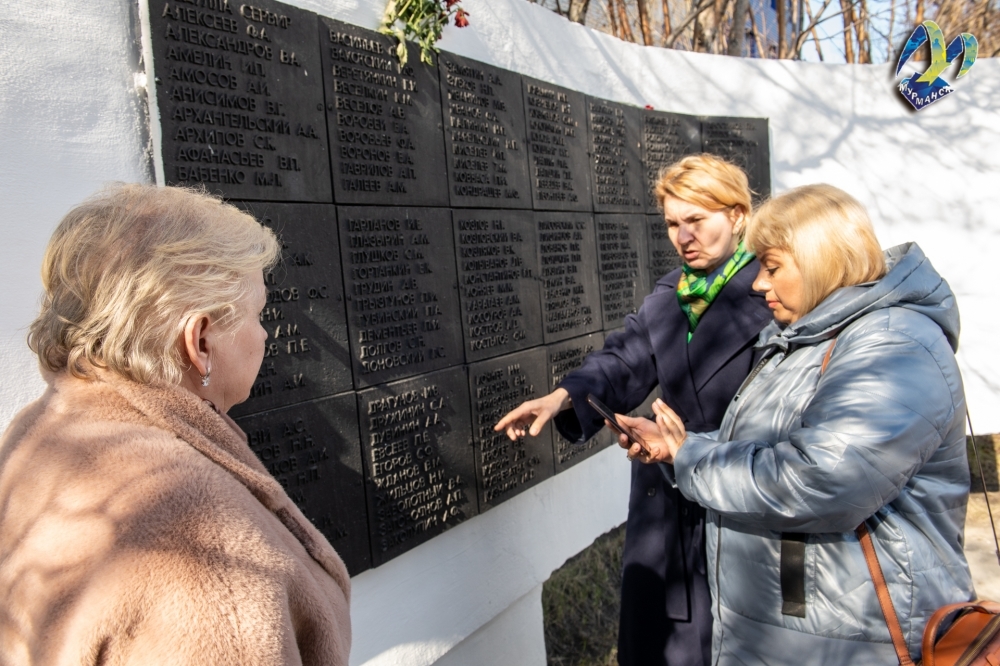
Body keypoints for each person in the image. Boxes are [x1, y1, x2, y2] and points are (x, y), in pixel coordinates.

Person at [617, 184, 974, 664]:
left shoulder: (894, 345)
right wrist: (678, 444)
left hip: (852, 643)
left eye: (772, 267)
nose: (759, 284)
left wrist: (692, 458)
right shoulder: (804, 338)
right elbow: (766, 445)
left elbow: (822, 478)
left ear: (819, 259)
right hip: (787, 637)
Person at [0, 184, 352, 665]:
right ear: (200, 341)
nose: (266, 333)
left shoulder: (41, 430)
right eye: (258, 313)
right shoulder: (205, 549)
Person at [496, 155, 773, 666]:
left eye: (697, 220)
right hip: (665, 513)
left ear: (737, 215)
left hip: (739, 509)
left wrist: (690, 447)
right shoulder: (670, 296)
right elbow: (625, 357)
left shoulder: (776, 293)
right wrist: (561, 396)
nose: (683, 235)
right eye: (673, 222)